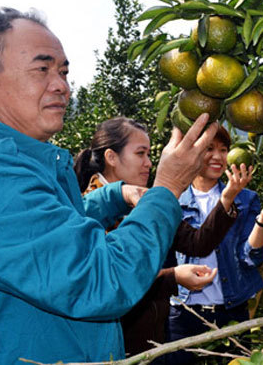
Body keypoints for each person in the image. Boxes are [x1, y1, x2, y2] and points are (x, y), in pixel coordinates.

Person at [0, 7, 218, 364]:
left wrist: (115, 194)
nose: (62, 86)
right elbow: (101, 279)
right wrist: (167, 188)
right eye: (42, 69)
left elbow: (46, 232)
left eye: (63, 71)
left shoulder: (19, 162)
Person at [73, 118, 253, 356]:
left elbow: (196, 242)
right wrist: (173, 277)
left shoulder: (145, 201)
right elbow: (110, 278)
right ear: (111, 157)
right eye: (140, 154)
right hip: (113, 346)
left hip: (152, 339)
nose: (149, 163)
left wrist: (227, 198)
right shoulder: (84, 211)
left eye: (149, 154)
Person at [165, 127, 263, 365]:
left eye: (224, 150)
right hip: (184, 312)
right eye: (209, 149)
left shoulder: (246, 199)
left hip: (230, 311)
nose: (218, 156)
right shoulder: (173, 200)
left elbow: (251, 257)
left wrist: (262, 219)